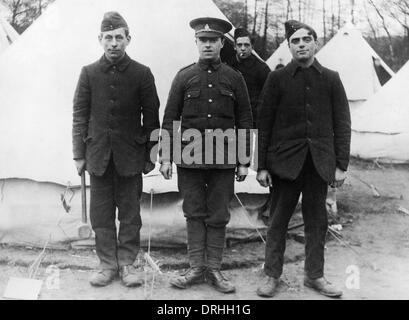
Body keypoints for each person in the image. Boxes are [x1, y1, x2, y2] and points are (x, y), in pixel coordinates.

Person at [256, 20, 351, 298]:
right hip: (285, 165)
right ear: (288, 46)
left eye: (306, 40)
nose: (301, 45)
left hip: (319, 165)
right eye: (295, 41)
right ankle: (271, 275)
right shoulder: (278, 79)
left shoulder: (331, 78)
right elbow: (264, 124)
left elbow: (342, 123)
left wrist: (340, 165)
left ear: (315, 43)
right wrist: (261, 166)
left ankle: (314, 276)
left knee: (317, 222)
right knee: (277, 222)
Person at [159, 17, 253, 294]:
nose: (208, 44)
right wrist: (165, 156)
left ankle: (214, 268)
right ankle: (196, 267)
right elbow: (170, 117)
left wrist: (245, 159)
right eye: (203, 40)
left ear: (223, 43)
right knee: (193, 212)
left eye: (213, 40)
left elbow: (246, 118)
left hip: (224, 157)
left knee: (219, 213)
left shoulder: (235, 78)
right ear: (196, 42)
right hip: (189, 157)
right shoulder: (184, 76)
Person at [72, 11, 160, 287]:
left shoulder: (142, 74)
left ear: (128, 39)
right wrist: (78, 154)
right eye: (108, 38)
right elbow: (79, 115)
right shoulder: (88, 73)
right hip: (97, 157)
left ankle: (127, 264)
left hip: (130, 158)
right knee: (101, 215)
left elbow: (152, 118)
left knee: (130, 214)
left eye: (118, 38)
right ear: (100, 39)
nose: (113, 43)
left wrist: (151, 155)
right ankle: (107, 264)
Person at [226, 27, 270, 127]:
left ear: (252, 47)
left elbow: (269, 97)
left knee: (247, 142)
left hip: (252, 120)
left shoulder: (261, 69)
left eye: (246, 45)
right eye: (239, 45)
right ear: (234, 46)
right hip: (230, 119)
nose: (243, 48)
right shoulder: (227, 65)